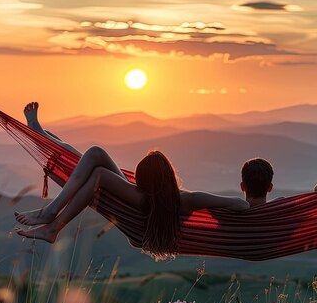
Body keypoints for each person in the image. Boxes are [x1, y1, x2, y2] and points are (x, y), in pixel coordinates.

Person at [14, 102, 249, 258]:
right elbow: (239, 205)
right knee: (84, 157)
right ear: (168, 176)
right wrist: (227, 209)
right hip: (144, 230)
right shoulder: (187, 200)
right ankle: (42, 134)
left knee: (94, 161)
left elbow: (99, 175)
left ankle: (52, 220)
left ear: (142, 180)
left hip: (139, 229)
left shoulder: (138, 195)